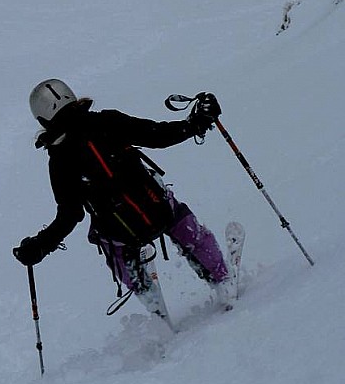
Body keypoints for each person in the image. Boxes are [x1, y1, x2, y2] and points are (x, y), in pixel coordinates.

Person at [13, 79, 232, 317]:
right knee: (183, 225)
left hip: (119, 231)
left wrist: (40, 246)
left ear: (43, 119)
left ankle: (154, 306)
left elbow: (70, 214)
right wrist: (196, 123)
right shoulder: (107, 121)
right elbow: (157, 135)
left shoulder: (59, 160)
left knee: (114, 247)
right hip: (158, 208)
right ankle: (221, 276)